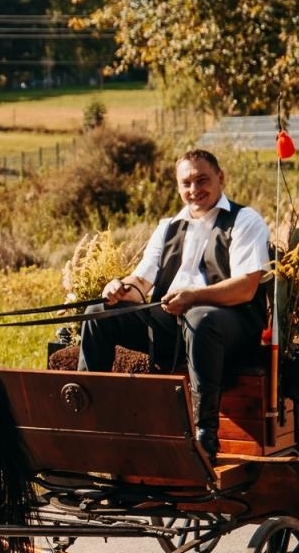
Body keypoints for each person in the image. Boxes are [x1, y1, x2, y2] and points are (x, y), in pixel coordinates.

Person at [77, 149, 270, 459]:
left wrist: (194, 296)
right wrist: (119, 288)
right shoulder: (168, 226)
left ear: (220, 178)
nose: (194, 190)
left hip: (229, 325)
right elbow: (141, 284)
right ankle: (86, 417)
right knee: (97, 313)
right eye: (187, 183)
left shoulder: (244, 219)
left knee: (200, 317)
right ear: (178, 186)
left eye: (202, 180)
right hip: (172, 322)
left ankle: (205, 434)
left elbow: (245, 288)